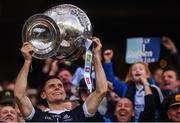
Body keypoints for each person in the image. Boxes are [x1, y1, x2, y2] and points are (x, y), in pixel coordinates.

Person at [14, 37, 108, 122]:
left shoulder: (80, 113)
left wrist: (95, 56)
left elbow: (101, 90)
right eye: (51, 86)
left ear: (65, 92)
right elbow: (19, 95)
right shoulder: (37, 116)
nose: (57, 88)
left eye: (60, 85)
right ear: (43, 94)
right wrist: (27, 61)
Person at [103, 49, 163, 121]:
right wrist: (107, 61)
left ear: (147, 74)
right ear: (131, 76)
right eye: (134, 69)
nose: (137, 70)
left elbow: (161, 109)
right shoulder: (125, 88)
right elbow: (111, 79)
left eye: (140, 69)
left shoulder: (154, 89)